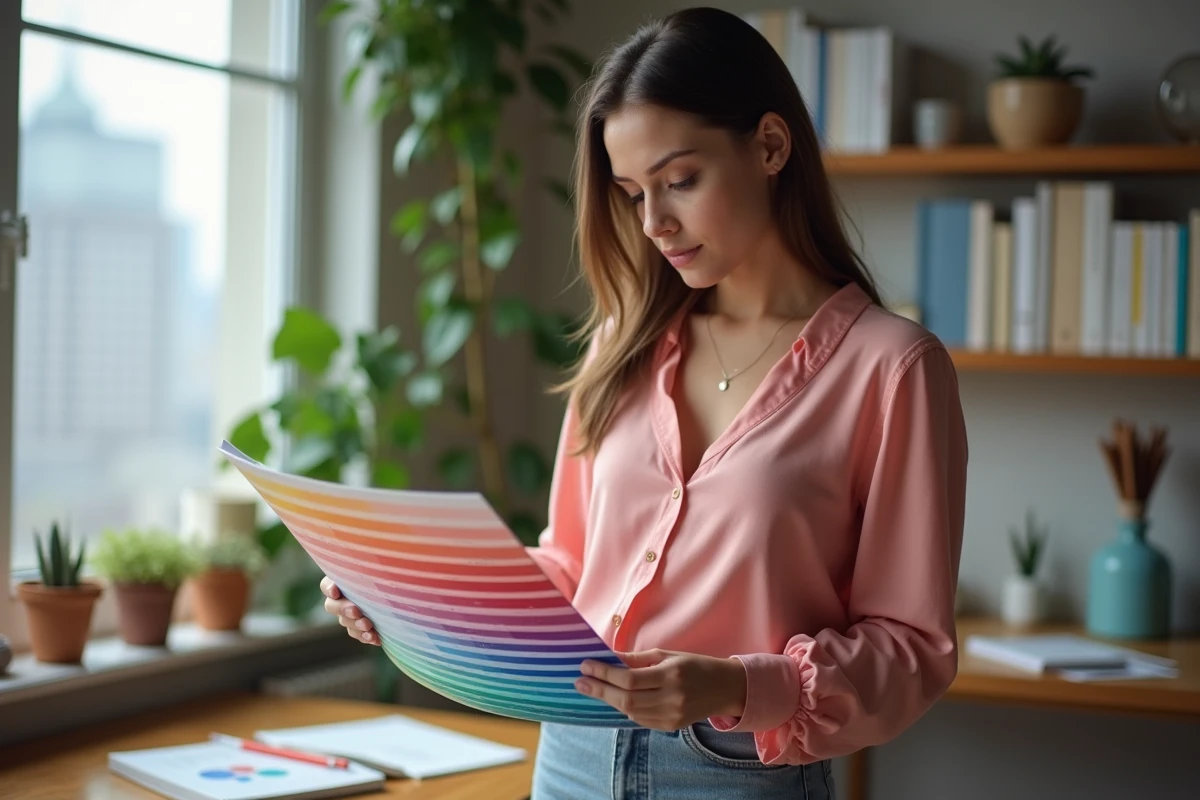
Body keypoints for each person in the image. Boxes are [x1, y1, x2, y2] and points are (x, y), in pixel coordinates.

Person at [321, 6, 968, 798]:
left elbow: (911, 648)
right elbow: (571, 567)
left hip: (737, 774)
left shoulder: (893, 369)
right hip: (572, 756)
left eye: (680, 181)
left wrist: (736, 685)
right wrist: (406, 595)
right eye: (632, 193)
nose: (654, 223)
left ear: (770, 145)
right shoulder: (620, 348)